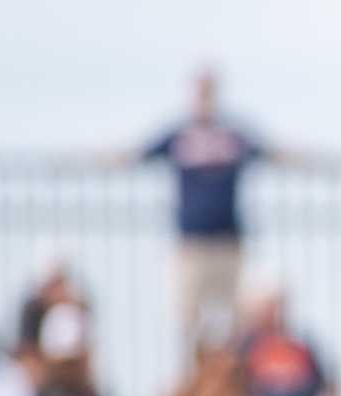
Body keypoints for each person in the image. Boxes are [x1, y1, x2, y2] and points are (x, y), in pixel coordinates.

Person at [118, 69, 292, 353]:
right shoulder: (178, 134)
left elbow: (274, 153)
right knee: (190, 320)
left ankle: (230, 374)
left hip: (228, 241)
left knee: (234, 321)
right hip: (192, 243)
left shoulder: (234, 135)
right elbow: (135, 155)